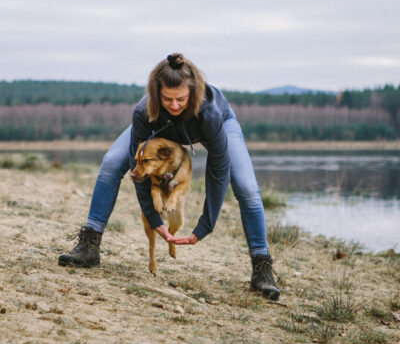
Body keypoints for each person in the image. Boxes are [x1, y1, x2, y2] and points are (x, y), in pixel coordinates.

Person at [58, 53, 280, 300]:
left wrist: (205, 225)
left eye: (181, 99)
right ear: (156, 94)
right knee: (111, 163)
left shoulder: (210, 113)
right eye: (167, 99)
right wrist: (155, 219)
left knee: (247, 188)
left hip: (218, 124)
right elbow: (138, 171)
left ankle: (262, 268)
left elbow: (218, 172)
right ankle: (89, 246)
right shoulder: (144, 111)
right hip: (160, 128)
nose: (174, 106)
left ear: (193, 93)